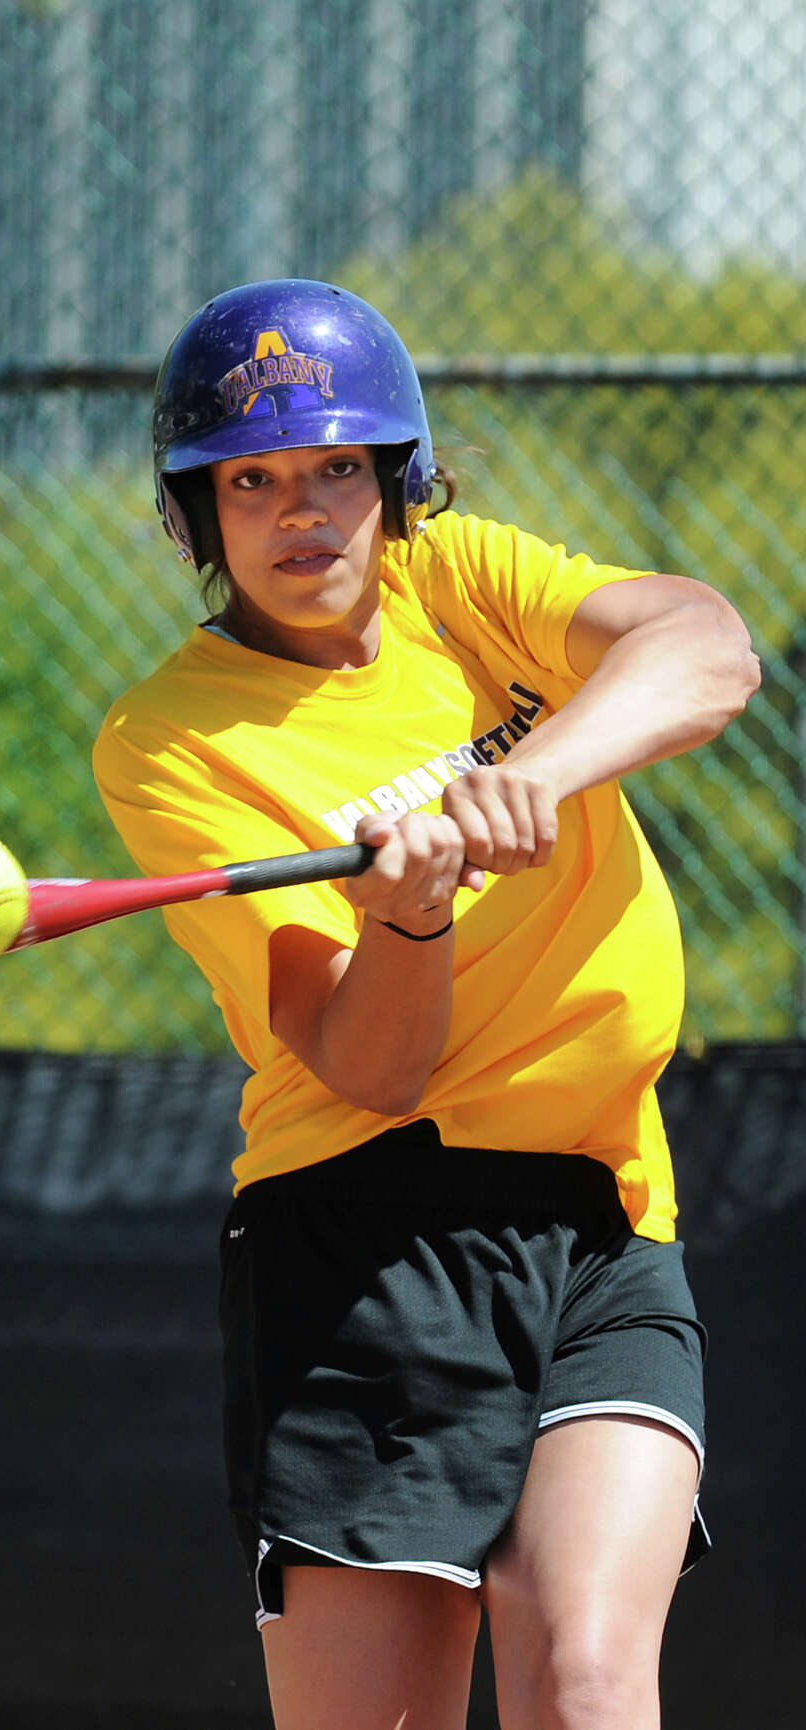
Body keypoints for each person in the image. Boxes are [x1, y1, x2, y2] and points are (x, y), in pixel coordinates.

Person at [92, 278, 760, 1730]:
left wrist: (537, 770)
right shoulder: (168, 740)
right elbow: (369, 1060)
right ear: (197, 515)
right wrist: (411, 909)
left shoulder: (454, 577)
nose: (303, 510)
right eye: (251, 480)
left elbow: (707, 645)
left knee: (587, 1673)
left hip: (603, 1212)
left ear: (395, 482)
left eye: (339, 466)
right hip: (365, 1233)